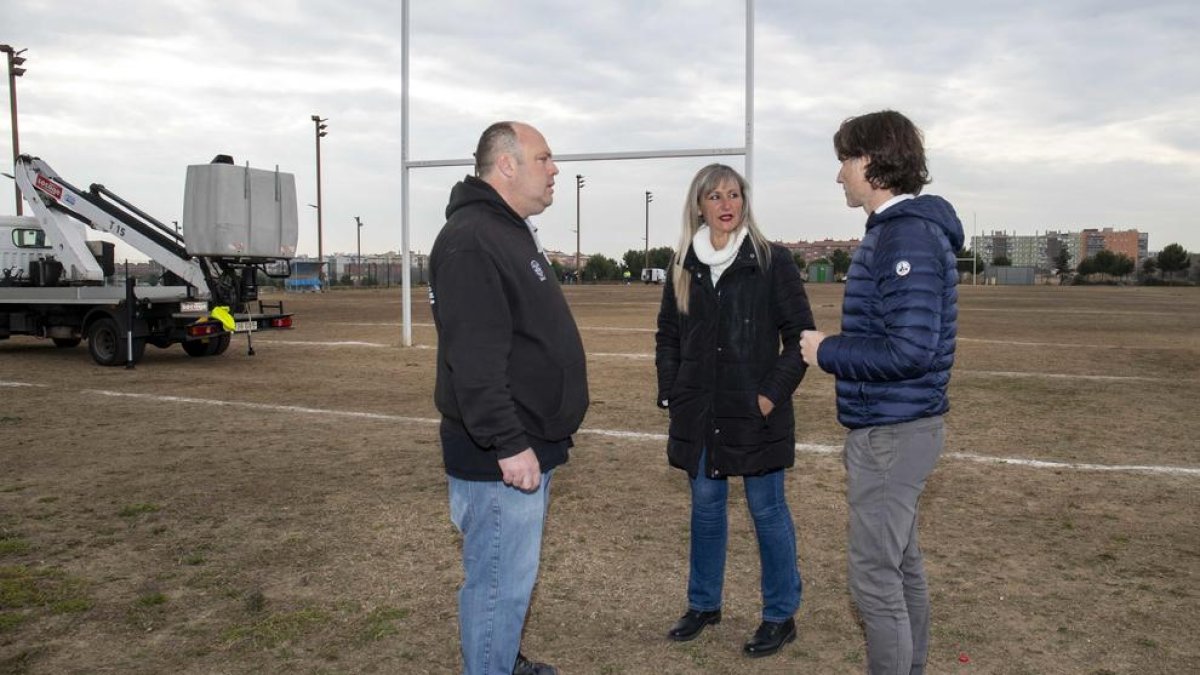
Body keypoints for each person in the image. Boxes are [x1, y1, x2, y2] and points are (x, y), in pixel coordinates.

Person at [799, 110, 963, 675]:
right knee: (901, 565)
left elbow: (910, 348)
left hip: (895, 430)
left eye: (845, 160)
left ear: (871, 162)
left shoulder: (906, 234)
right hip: (895, 423)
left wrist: (827, 351)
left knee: (875, 576)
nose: (840, 174)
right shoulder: (899, 231)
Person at [429, 121, 589, 675]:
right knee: (498, 583)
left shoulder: (508, 230)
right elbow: (474, 361)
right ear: (506, 165)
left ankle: (502, 660)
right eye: (544, 158)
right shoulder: (473, 239)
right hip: (502, 454)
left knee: (510, 581)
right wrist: (508, 442)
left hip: (525, 444)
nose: (554, 169)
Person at [654, 163, 815, 658]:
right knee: (705, 512)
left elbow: (801, 340)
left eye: (734, 194)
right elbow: (669, 335)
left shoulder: (772, 261)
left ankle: (779, 615)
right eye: (715, 196)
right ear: (698, 206)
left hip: (755, 414)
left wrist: (767, 396)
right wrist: (672, 392)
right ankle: (704, 604)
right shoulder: (684, 263)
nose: (726, 204)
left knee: (767, 512)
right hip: (700, 414)